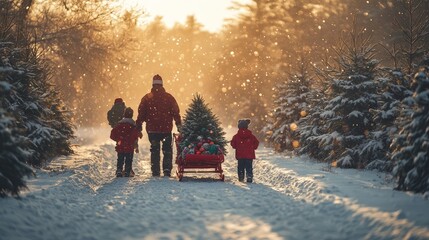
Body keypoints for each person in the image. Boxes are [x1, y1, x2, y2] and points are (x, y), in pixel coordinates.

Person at [136, 74, 182, 177]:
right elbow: (176, 112)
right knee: (167, 150)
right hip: (166, 129)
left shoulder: (147, 98)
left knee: (155, 150)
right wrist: (179, 124)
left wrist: (139, 125)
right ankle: (166, 170)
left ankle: (155, 171)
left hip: (152, 130)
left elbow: (141, 114)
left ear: (153, 84)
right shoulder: (169, 98)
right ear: (162, 85)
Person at [110, 107, 142, 177]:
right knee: (129, 159)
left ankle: (119, 170)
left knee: (120, 158)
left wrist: (118, 140)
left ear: (124, 115)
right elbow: (136, 135)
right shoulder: (133, 125)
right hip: (130, 146)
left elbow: (112, 135)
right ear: (132, 115)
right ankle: (127, 171)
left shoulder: (119, 125)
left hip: (120, 145)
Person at [231, 119, 259, 183]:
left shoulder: (236, 136)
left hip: (240, 155)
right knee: (249, 166)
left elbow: (233, 144)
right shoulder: (251, 136)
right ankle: (249, 176)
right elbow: (256, 143)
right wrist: (253, 148)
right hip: (249, 155)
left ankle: (241, 176)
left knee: (240, 166)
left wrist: (236, 147)